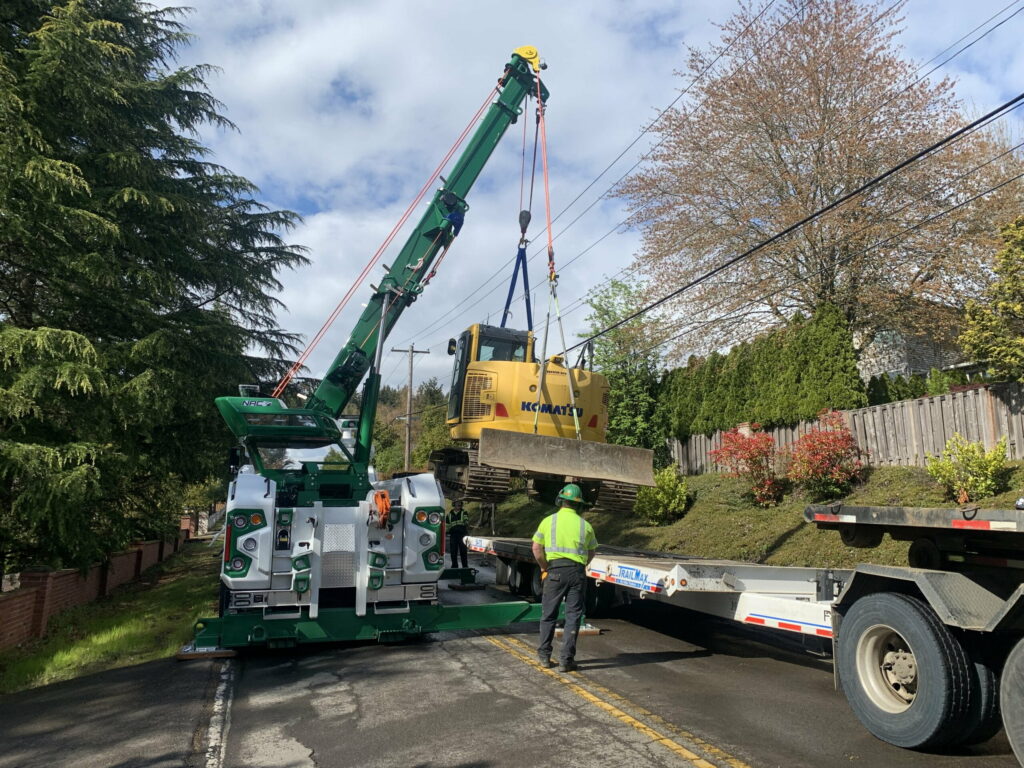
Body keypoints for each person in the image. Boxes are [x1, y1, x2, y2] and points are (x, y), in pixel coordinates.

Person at [531, 483, 598, 673]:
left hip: (554, 571)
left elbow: (536, 548)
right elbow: (592, 551)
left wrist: (545, 567)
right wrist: (581, 565)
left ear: (561, 500)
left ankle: (544, 656)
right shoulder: (586, 526)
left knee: (548, 615)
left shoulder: (548, 521)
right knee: (573, 617)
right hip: (577, 572)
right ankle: (566, 661)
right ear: (579, 505)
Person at [447, 499, 470, 569]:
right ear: (454, 505)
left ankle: (465, 566)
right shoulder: (449, 515)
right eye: (457, 503)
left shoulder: (464, 512)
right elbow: (447, 525)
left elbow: (466, 520)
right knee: (453, 551)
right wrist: (447, 532)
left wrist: (466, 522)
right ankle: (454, 566)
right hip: (453, 535)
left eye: (460, 504)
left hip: (462, 534)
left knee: (463, 551)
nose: (459, 505)